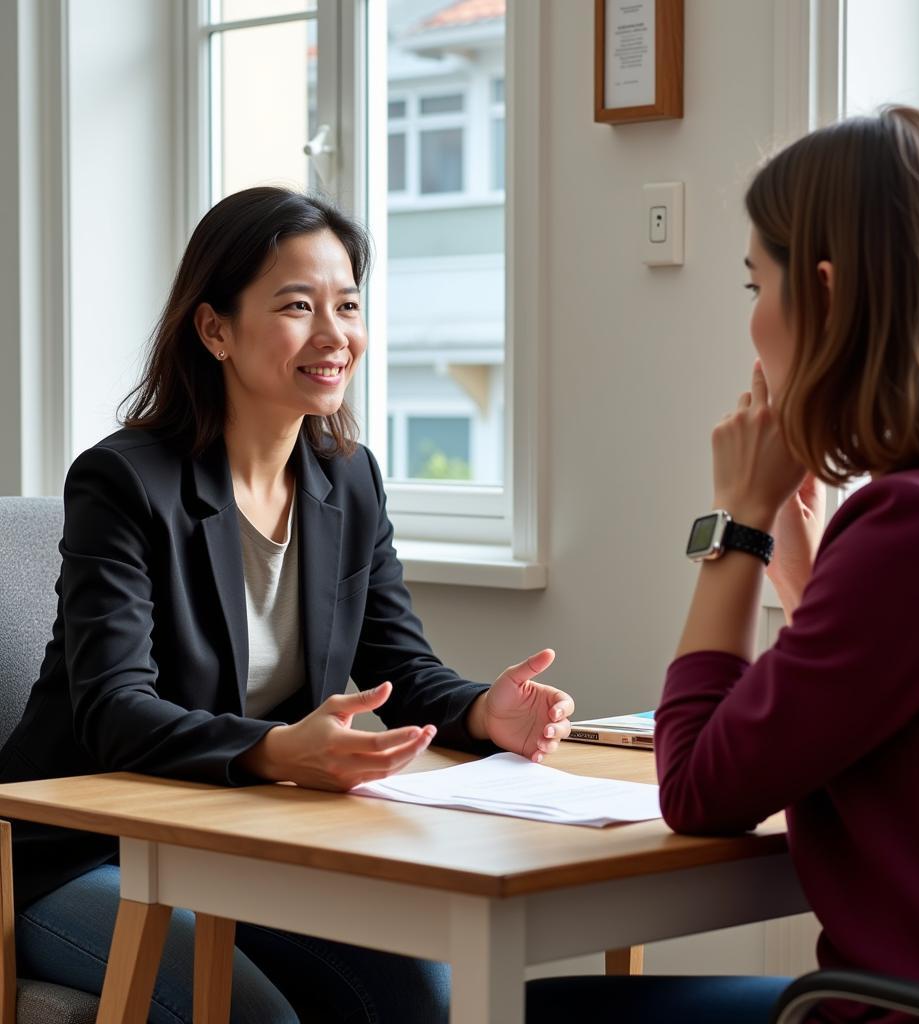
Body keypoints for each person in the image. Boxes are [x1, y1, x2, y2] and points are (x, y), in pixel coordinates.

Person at [0, 186, 576, 1024]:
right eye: (298, 306)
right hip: (85, 850)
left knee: (417, 992)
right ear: (216, 330)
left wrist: (486, 712)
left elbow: (401, 668)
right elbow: (114, 713)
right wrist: (276, 750)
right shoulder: (124, 482)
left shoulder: (350, 478)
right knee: (252, 1014)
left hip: (248, 845)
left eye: (347, 304)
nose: (333, 335)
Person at [528, 106, 919, 1023]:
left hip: (918, 1013)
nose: (753, 322)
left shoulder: (917, 529)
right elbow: (911, 724)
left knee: (545, 1010)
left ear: (826, 297)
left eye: (756, 285)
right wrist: (805, 584)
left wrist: (740, 524)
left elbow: (695, 790)